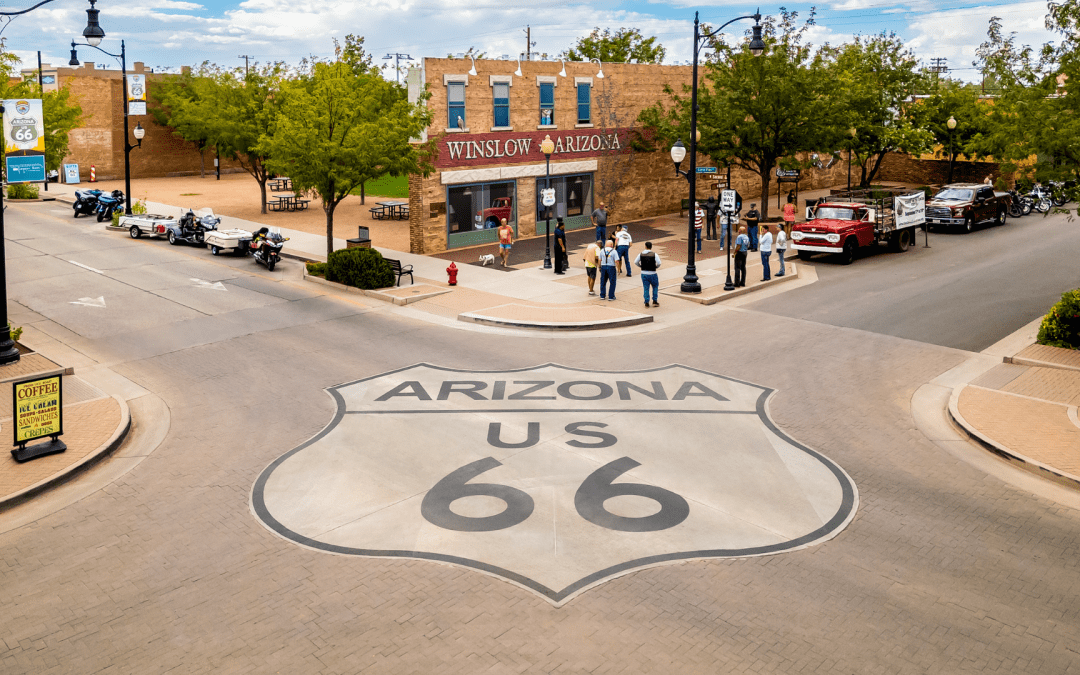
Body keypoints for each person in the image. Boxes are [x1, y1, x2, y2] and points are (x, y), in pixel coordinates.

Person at [634, 241, 661, 307]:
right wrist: (656, 267)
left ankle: (646, 302)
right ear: (651, 247)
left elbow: (635, 262)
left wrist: (640, 266)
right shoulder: (654, 254)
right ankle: (654, 301)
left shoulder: (641, 254)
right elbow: (659, 263)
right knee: (655, 287)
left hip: (644, 273)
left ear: (645, 246)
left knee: (646, 288)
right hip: (653, 273)